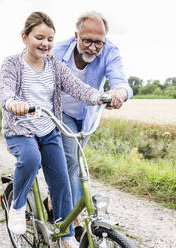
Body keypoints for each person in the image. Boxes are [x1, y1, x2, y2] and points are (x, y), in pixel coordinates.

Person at [0, 11, 112, 248]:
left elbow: (77, 87)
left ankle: (65, 231)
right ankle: (17, 207)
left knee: (62, 181)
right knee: (30, 158)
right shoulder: (12, 64)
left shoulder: (55, 66)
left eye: (50, 39)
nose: (45, 44)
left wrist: (99, 97)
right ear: (24, 37)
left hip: (48, 129)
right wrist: (12, 104)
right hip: (20, 129)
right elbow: (5, 91)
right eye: (39, 37)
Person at [50, 11, 133, 240]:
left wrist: (118, 93)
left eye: (99, 42)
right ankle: (68, 227)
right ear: (76, 36)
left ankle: (57, 204)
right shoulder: (57, 52)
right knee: (72, 162)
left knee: (75, 166)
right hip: (61, 112)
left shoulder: (110, 51)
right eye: (87, 40)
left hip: (87, 115)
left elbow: (122, 83)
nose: (93, 47)